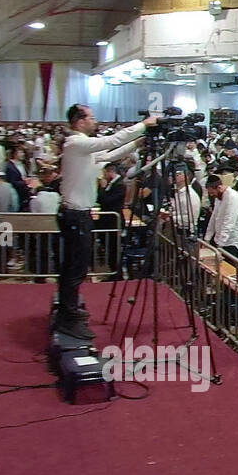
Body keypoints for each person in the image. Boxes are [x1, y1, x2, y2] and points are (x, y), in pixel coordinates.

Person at [53, 104, 153, 335]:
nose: (95, 120)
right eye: (91, 117)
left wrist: (136, 144)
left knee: (77, 265)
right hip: (75, 214)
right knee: (75, 267)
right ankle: (67, 316)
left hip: (79, 214)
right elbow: (108, 142)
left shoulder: (82, 149)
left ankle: (70, 307)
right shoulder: (76, 143)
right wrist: (142, 126)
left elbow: (109, 154)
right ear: (79, 121)